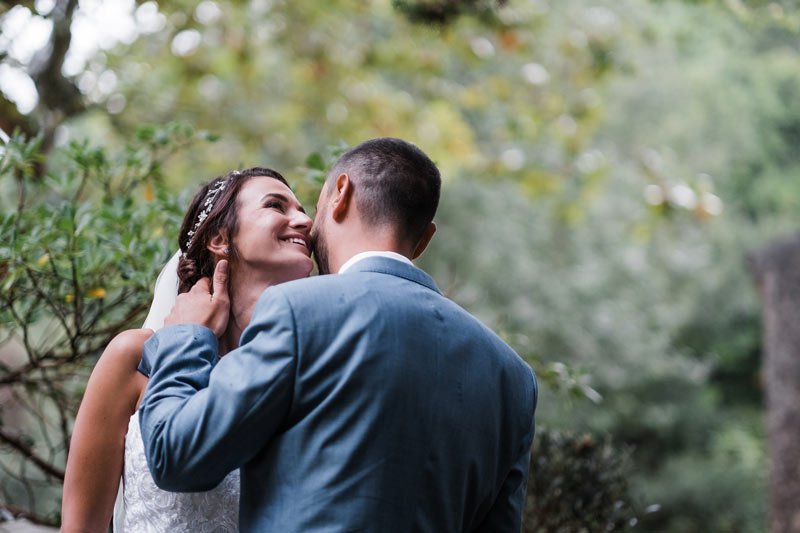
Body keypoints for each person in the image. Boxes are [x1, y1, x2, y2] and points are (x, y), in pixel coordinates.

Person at [138, 137, 539, 531]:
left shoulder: (299, 309)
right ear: (424, 239)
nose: (307, 228)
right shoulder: (514, 378)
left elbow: (176, 456)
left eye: (311, 207)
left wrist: (186, 334)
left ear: (341, 193)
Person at [60, 167, 313, 532]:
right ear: (220, 237)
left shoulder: (303, 366)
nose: (304, 220)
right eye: (277, 205)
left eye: (303, 210)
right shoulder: (134, 357)